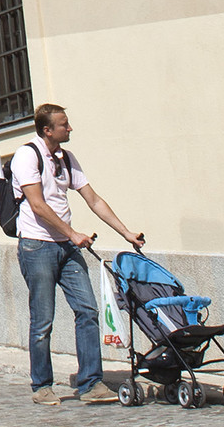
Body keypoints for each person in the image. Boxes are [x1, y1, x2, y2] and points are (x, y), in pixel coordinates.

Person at [13, 103, 145, 407]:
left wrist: (125, 232)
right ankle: (42, 385)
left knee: (88, 310)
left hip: (67, 248)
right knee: (43, 320)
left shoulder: (67, 158)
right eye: (64, 124)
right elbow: (37, 205)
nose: (69, 128)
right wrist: (72, 233)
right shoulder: (27, 156)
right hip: (37, 246)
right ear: (48, 130)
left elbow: (93, 199)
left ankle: (91, 383)